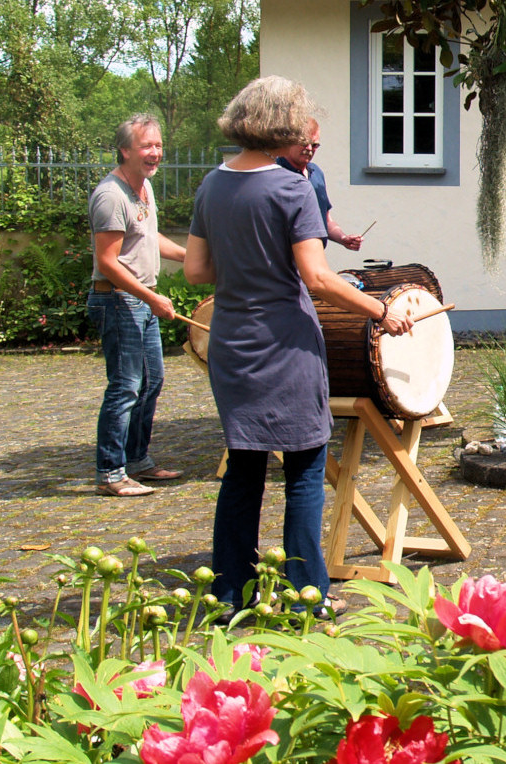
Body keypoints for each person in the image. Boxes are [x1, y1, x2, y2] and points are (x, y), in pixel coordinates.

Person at [185, 76, 412, 614]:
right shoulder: (293, 188)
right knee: (306, 468)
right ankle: (307, 597)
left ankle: (229, 593)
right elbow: (318, 277)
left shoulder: (210, 185)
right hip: (285, 345)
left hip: (232, 345)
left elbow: (196, 271)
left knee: (243, 469)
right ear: (285, 124)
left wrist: (246, 264)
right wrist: (383, 312)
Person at [87, 114, 188, 497]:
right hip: (117, 301)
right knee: (126, 386)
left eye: (159, 145)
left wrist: (189, 257)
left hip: (139, 300)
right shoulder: (111, 196)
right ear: (125, 150)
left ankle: (137, 460)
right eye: (147, 146)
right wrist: (152, 297)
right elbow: (108, 262)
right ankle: (110, 473)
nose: (155, 153)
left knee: (152, 381)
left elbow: (147, 236)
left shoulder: (143, 188)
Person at [275, 119, 362, 250]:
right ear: (289, 141)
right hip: (283, 261)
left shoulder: (316, 173)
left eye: (314, 145)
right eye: (304, 143)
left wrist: (343, 238)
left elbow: (325, 221)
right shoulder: (274, 173)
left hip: (314, 258)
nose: (309, 149)